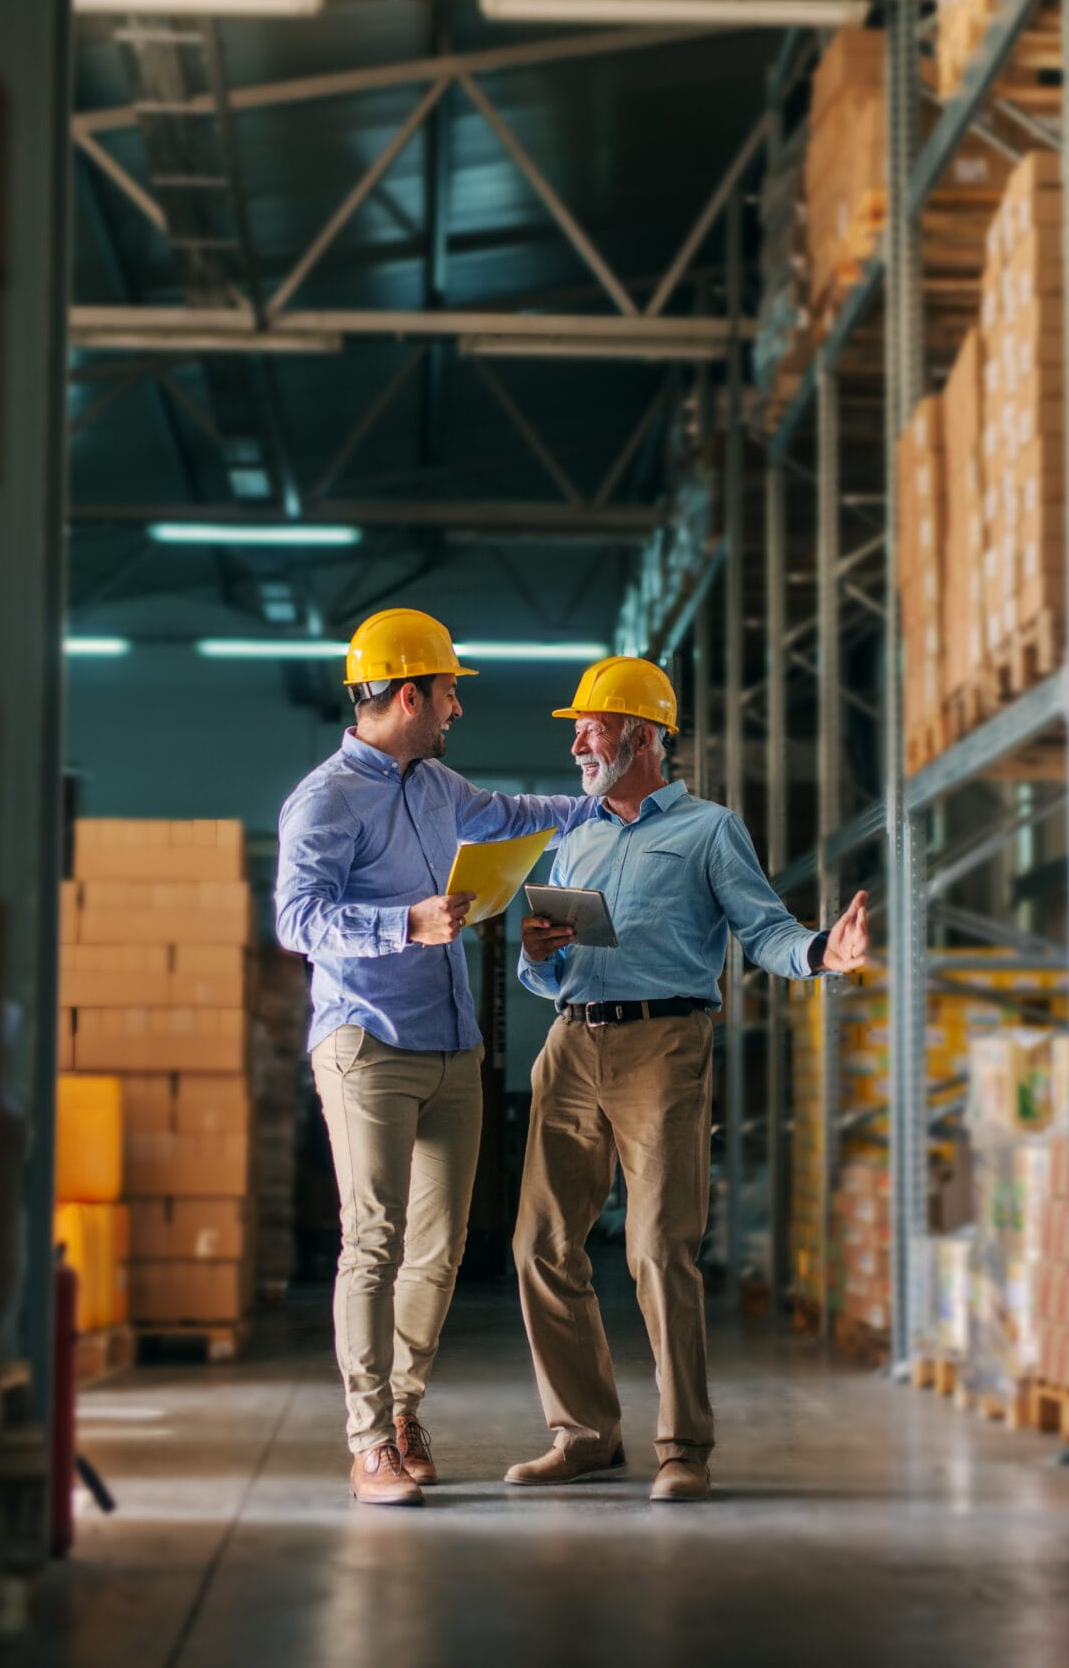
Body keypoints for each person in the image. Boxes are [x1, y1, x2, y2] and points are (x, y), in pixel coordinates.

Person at [506, 655, 869, 1502]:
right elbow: (547, 966)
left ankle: (684, 1446)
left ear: (644, 735)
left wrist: (823, 953)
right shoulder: (575, 833)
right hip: (569, 1046)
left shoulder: (709, 829)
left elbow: (766, 930)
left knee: (658, 1247)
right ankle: (584, 1433)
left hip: (663, 1045)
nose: (577, 743)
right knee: (538, 1244)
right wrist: (535, 957)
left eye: (590, 726)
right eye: (576, 729)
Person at [275, 608, 601, 1507]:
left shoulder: (435, 784)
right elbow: (296, 920)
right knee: (371, 1240)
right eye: (450, 691)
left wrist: (601, 800)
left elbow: (511, 813)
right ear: (410, 693)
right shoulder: (324, 798)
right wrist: (404, 922)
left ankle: (405, 1409)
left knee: (441, 1247)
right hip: (367, 1043)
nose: (457, 708)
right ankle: (368, 1438)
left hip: (452, 1045)